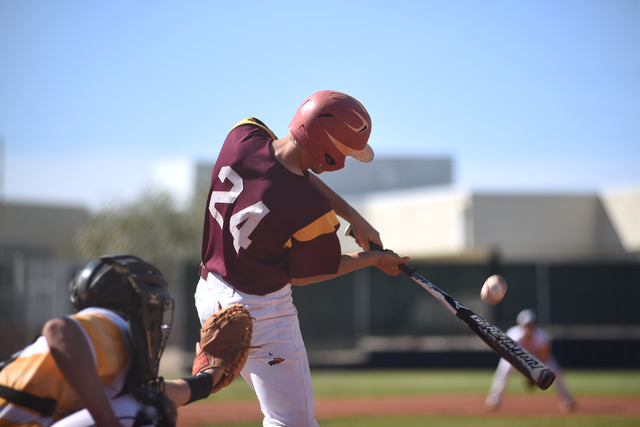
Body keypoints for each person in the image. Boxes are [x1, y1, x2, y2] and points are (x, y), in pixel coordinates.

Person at [195, 90, 410, 426]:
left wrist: (354, 217)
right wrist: (373, 259)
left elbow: (286, 168)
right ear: (329, 150)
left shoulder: (242, 134)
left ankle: (209, 366)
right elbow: (307, 274)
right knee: (291, 421)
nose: (345, 159)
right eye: (345, 152)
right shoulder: (311, 208)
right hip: (259, 313)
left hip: (208, 295)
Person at [0, 255, 226, 427]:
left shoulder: (99, 346)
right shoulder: (112, 324)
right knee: (149, 412)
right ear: (140, 306)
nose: (158, 320)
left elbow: (150, 392)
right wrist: (108, 421)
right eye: (155, 308)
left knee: (148, 403)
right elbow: (59, 329)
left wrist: (207, 378)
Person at [485, 309, 575, 412]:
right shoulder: (513, 334)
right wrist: (526, 373)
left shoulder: (541, 336)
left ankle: (567, 400)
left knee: (556, 371)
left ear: (534, 324)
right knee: (504, 370)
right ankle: (494, 399)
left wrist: (534, 373)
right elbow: (508, 355)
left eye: (530, 324)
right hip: (516, 360)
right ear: (520, 324)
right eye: (525, 324)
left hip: (538, 360)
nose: (528, 327)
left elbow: (544, 356)